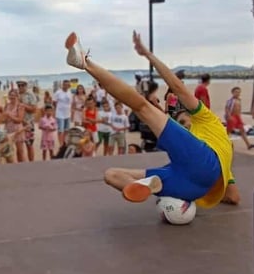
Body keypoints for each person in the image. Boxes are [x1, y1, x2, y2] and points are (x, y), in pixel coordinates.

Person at [64, 31, 240, 207]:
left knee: (142, 106)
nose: (184, 127)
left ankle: (85, 63)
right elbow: (234, 197)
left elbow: (177, 86)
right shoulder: (225, 160)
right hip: (192, 187)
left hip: (199, 163)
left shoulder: (208, 121)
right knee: (111, 174)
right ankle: (148, 187)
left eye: (183, 123)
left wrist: (148, 54)